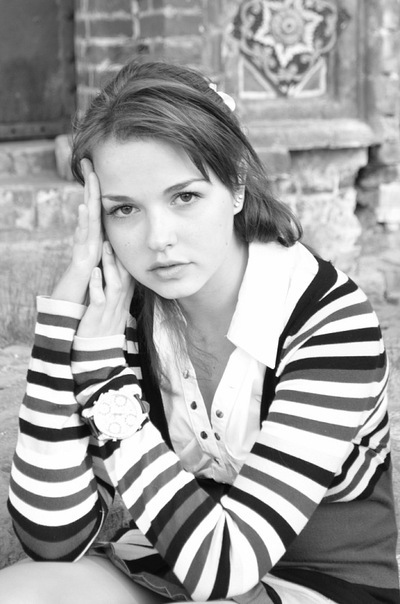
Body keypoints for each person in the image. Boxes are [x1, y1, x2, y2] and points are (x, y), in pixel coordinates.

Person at [0, 59, 398, 604]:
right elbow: (53, 539)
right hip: (169, 566)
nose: (157, 238)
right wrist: (62, 326)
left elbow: (228, 567)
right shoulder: (124, 315)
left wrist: (103, 381)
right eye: (124, 209)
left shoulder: (328, 321)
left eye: (184, 196)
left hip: (318, 584)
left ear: (236, 185)